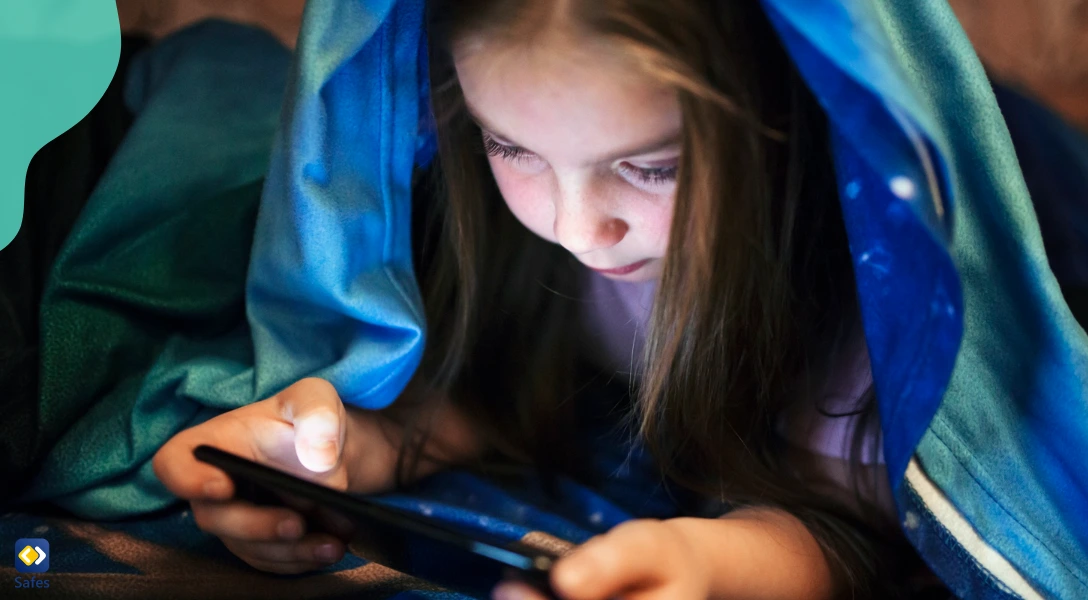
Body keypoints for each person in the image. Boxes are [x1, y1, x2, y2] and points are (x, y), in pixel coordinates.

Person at [152, 0, 903, 598]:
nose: (576, 228)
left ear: (789, 121)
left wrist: (703, 562)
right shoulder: (486, 209)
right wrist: (350, 454)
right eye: (510, 146)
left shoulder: (878, 292)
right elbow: (508, 395)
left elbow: (847, 530)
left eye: (653, 166)